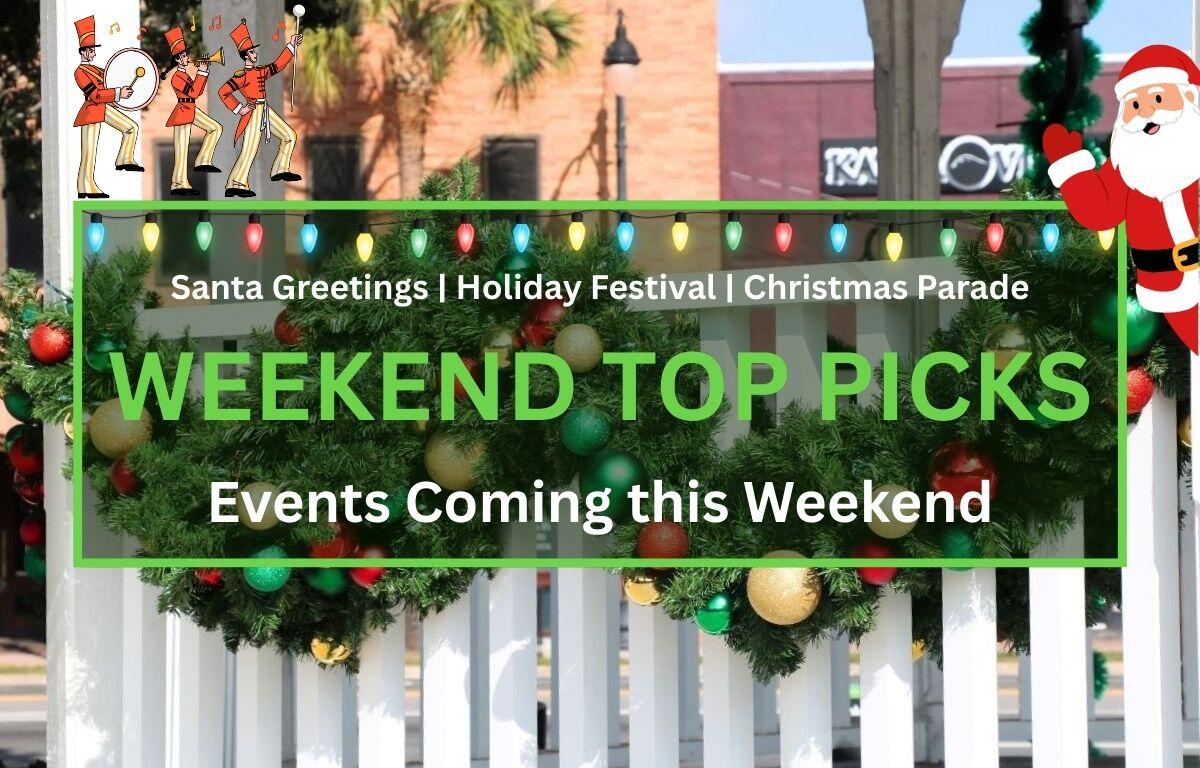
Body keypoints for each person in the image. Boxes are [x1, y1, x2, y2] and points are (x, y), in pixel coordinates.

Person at [1043, 44, 1200, 353]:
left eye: (1157, 98)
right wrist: (1070, 167)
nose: (1146, 111)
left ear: (1190, 97)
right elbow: (1099, 212)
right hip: (1166, 286)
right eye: (1135, 103)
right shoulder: (1127, 166)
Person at [219, 19, 303, 198]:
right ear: (246, 55)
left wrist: (290, 46)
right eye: (251, 51)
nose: (255, 53)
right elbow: (223, 92)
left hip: (264, 109)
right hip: (253, 112)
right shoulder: (241, 76)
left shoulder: (259, 71)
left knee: (289, 136)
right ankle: (237, 184)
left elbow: (278, 65)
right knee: (249, 148)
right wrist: (239, 108)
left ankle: (280, 169)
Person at [74, 15, 142, 199]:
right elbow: (94, 95)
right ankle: (85, 187)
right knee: (89, 152)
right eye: (91, 50)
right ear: (84, 52)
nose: (94, 53)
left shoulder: (97, 70)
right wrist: (118, 92)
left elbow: (110, 82)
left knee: (131, 127)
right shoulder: (80, 72)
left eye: (93, 50)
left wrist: (122, 91)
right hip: (91, 111)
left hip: (103, 108)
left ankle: (124, 159)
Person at [162, 26, 223, 196]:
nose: (186, 58)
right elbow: (194, 92)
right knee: (181, 150)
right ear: (177, 60)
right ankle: (178, 183)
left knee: (215, 128)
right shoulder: (177, 77)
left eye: (186, 55)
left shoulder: (185, 75)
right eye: (182, 56)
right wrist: (202, 72)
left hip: (191, 108)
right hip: (183, 111)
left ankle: (203, 160)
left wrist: (202, 73)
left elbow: (197, 92)